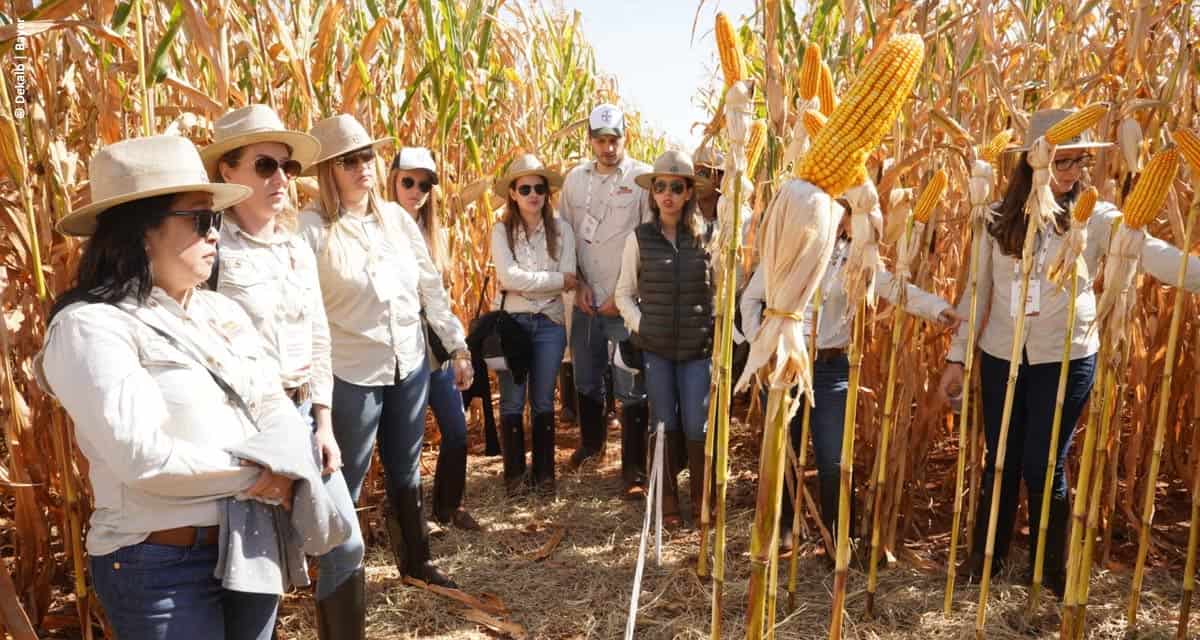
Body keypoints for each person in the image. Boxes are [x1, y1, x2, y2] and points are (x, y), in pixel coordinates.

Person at [36, 135, 312, 639]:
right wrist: (263, 476)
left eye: (217, 221)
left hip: (248, 542)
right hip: (157, 565)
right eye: (202, 220)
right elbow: (144, 458)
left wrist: (287, 463)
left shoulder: (219, 311)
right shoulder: (91, 327)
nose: (216, 235)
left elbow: (272, 401)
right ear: (142, 231)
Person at [936, 109, 1200, 595]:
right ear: (1034, 163)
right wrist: (957, 355)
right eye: (1064, 163)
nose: (1075, 174)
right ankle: (985, 561)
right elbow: (976, 292)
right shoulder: (997, 218)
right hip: (1002, 355)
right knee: (1002, 459)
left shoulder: (1096, 217)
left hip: (1067, 357)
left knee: (1043, 463)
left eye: (1081, 163)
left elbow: (1150, 252)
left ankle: (1048, 570)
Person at [200, 105, 367, 639]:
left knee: (346, 543)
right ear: (227, 172)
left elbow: (318, 336)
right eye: (265, 165)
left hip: (300, 414)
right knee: (257, 579)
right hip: (245, 429)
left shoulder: (295, 247)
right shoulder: (209, 250)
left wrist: (322, 421)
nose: (281, 179)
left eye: (288, 169)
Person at [297, 114, 472, 589]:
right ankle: (340, 583)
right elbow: (305, 315)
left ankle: (417, 565)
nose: (363, 168)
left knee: (406, 468)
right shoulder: (311, 229)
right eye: (349, 161)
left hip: (409, 365)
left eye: (367, 157)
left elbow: (430, 288)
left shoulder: (396, 219)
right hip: (352, 375)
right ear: (328, 170)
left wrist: (457, 345)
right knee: (344, 480)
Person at [742, 204, 962, 558]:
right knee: (782, 449)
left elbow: (895, 289)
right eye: (843, 210)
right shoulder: (789, 246)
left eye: (852, 213)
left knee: (833, 458)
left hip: (831, 368)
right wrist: (763, 344)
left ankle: (837, 537)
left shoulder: (859, 258)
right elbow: (751, 298)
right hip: (784, 363)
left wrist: (938, 309)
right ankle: (781, 528)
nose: (848, 219)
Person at [614, 150, 714, 526]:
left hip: (695, 350)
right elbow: (623, 292)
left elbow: (719, 290)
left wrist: (712, 328)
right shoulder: (639, 239)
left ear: (689, 192)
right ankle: (667, 500)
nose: (667, 194)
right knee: (663, 422)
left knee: (695, 424)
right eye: (660, 187)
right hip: (656, 349)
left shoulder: (707, 239)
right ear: (652, 193)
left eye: (676, 187)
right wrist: (643, 325)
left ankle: (704, 501)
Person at [559, 103, 653, 498]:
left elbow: (648, 238)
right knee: (586, 373)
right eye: (601, 140)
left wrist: (625, 294)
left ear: (624, 138)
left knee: (629, 379)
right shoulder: (574, 181)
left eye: (614, 140)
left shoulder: (642, 178)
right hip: (585, 297)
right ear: (590, 141)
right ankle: (592, 445)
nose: (608, 147)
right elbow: (565, 234)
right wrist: (577, 283)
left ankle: (633, 467)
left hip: (624, 297)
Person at [386, 146, 480, 531]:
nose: (416, 190)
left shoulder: (433, 235)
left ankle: (449, 508)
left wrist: (459, 348)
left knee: (456, 429)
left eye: (424, 185)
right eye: (408, 181)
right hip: (397, 350)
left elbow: (439, 299)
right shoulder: (373, 230)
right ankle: (409, 520)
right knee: (404, 444)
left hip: (435, 348)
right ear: (391, 180)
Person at [489, 154, 577, 496]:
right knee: (512, 400)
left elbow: (569, 280)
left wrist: (523, 282)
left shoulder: (563, 230)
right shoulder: (502, 231)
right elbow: (507, 276)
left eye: (539, 188)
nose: (532, 194)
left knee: (542, 400)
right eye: (524, 188)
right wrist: (553, 279)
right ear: (512, 193)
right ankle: (513, 476)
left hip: (550, 323)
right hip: (512, 325)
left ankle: (544, 475)